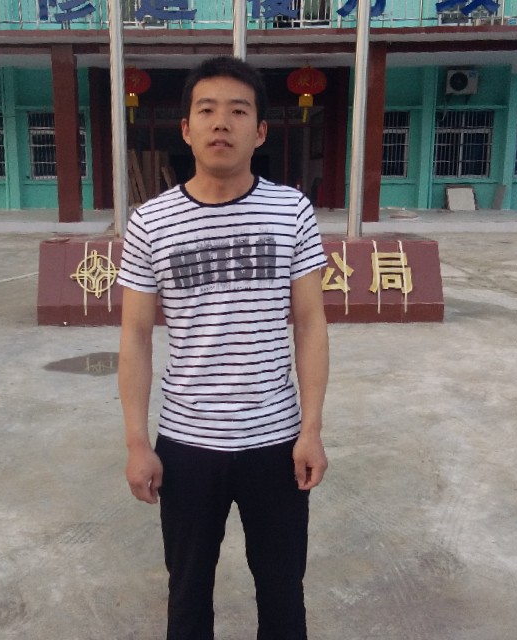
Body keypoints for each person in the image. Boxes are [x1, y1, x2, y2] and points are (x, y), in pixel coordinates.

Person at [117, 55, 330, 640]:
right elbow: (135, 337)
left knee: (283, 593)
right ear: (186, 129)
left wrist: (311, 429)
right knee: (187, 596)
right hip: (187, 445)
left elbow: (310, 323)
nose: (221, 123)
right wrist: (137, 442)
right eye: (207, 110)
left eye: (238, 111)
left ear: (259, 132)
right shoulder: (150, 222)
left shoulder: (291, 210)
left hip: (276, 442)